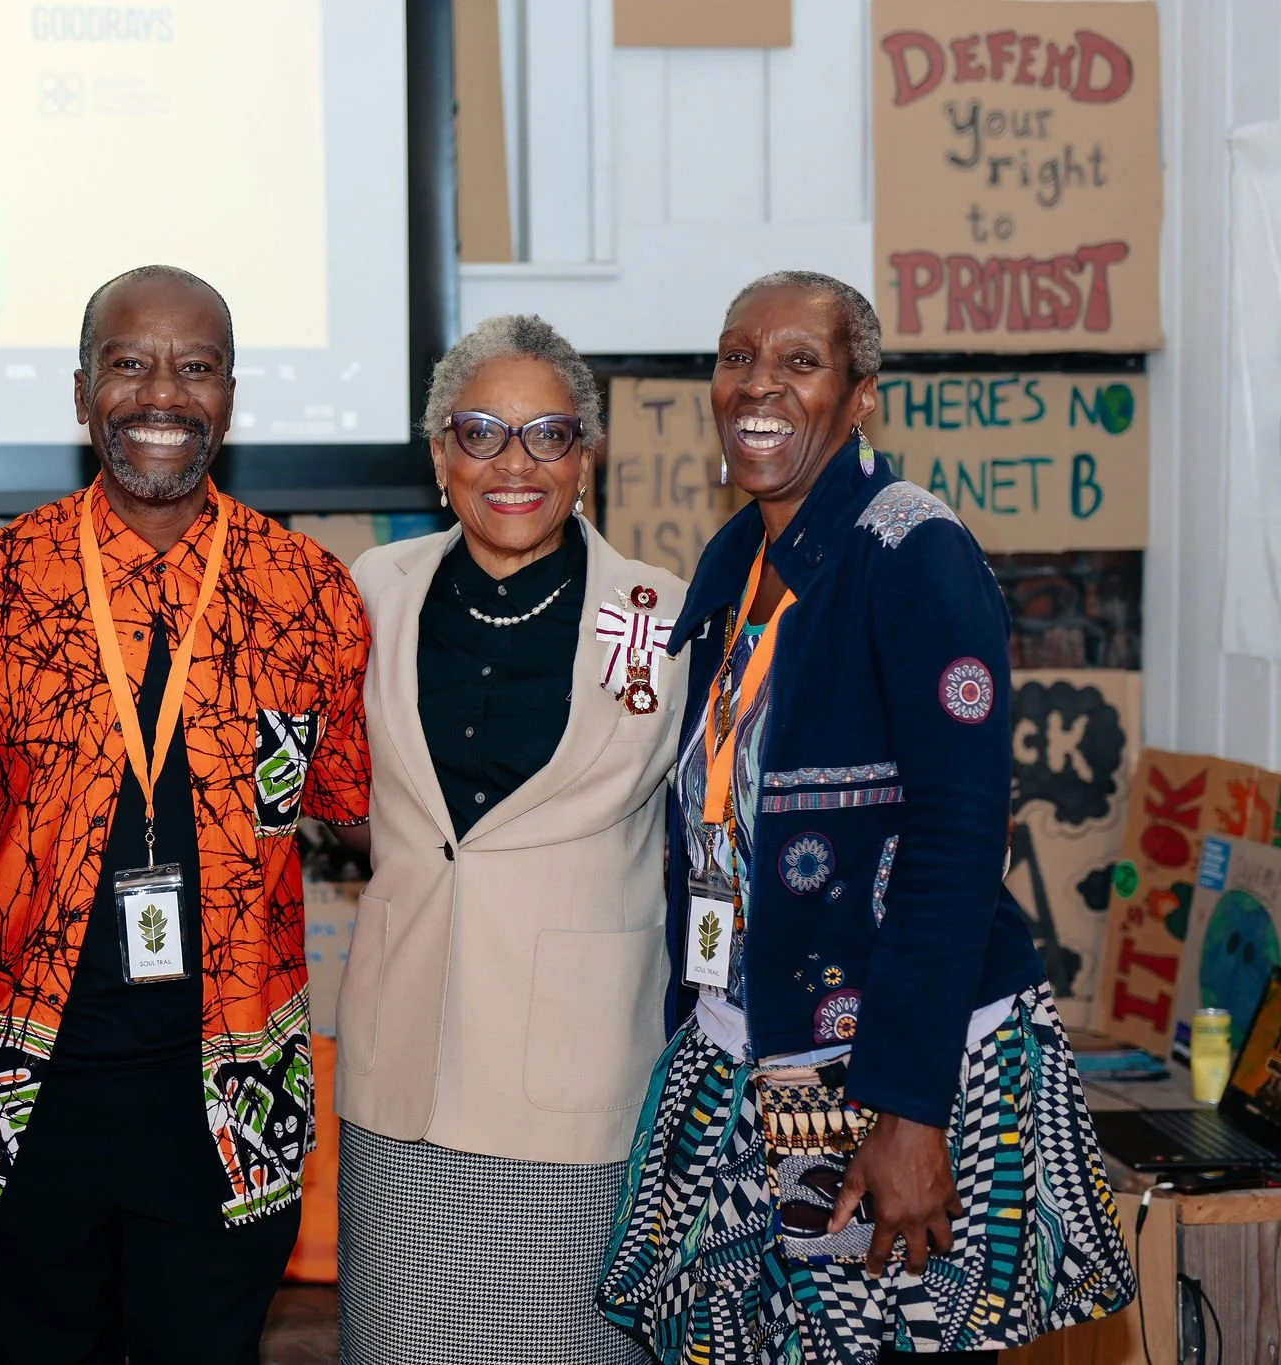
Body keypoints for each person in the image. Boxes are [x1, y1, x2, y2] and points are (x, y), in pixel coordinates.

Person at [596, 272, 1134, 1362]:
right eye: (736, 355)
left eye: (798, 362)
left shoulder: (912, 553)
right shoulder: (736, 557)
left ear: (860, 397)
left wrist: (908, 1112)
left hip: (889, 1069)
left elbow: (954, 838)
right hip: (761, 1052)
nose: (757, 385)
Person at [0, 264, 371, 1364]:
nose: (161, 393)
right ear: (81, 394)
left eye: (194, 367)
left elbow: (355, 809)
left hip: (227, 1094)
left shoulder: (307, 591)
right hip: (20, 1101)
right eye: (128, 364)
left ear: (227, 395)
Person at [335, 314, 683, 1364]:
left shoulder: (662, 618)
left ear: (586, 456)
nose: (512, 463)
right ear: (440, 451)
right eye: (481, 432)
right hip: (404, 1073)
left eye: (547, 435)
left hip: (576, 1081)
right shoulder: (370, 598)